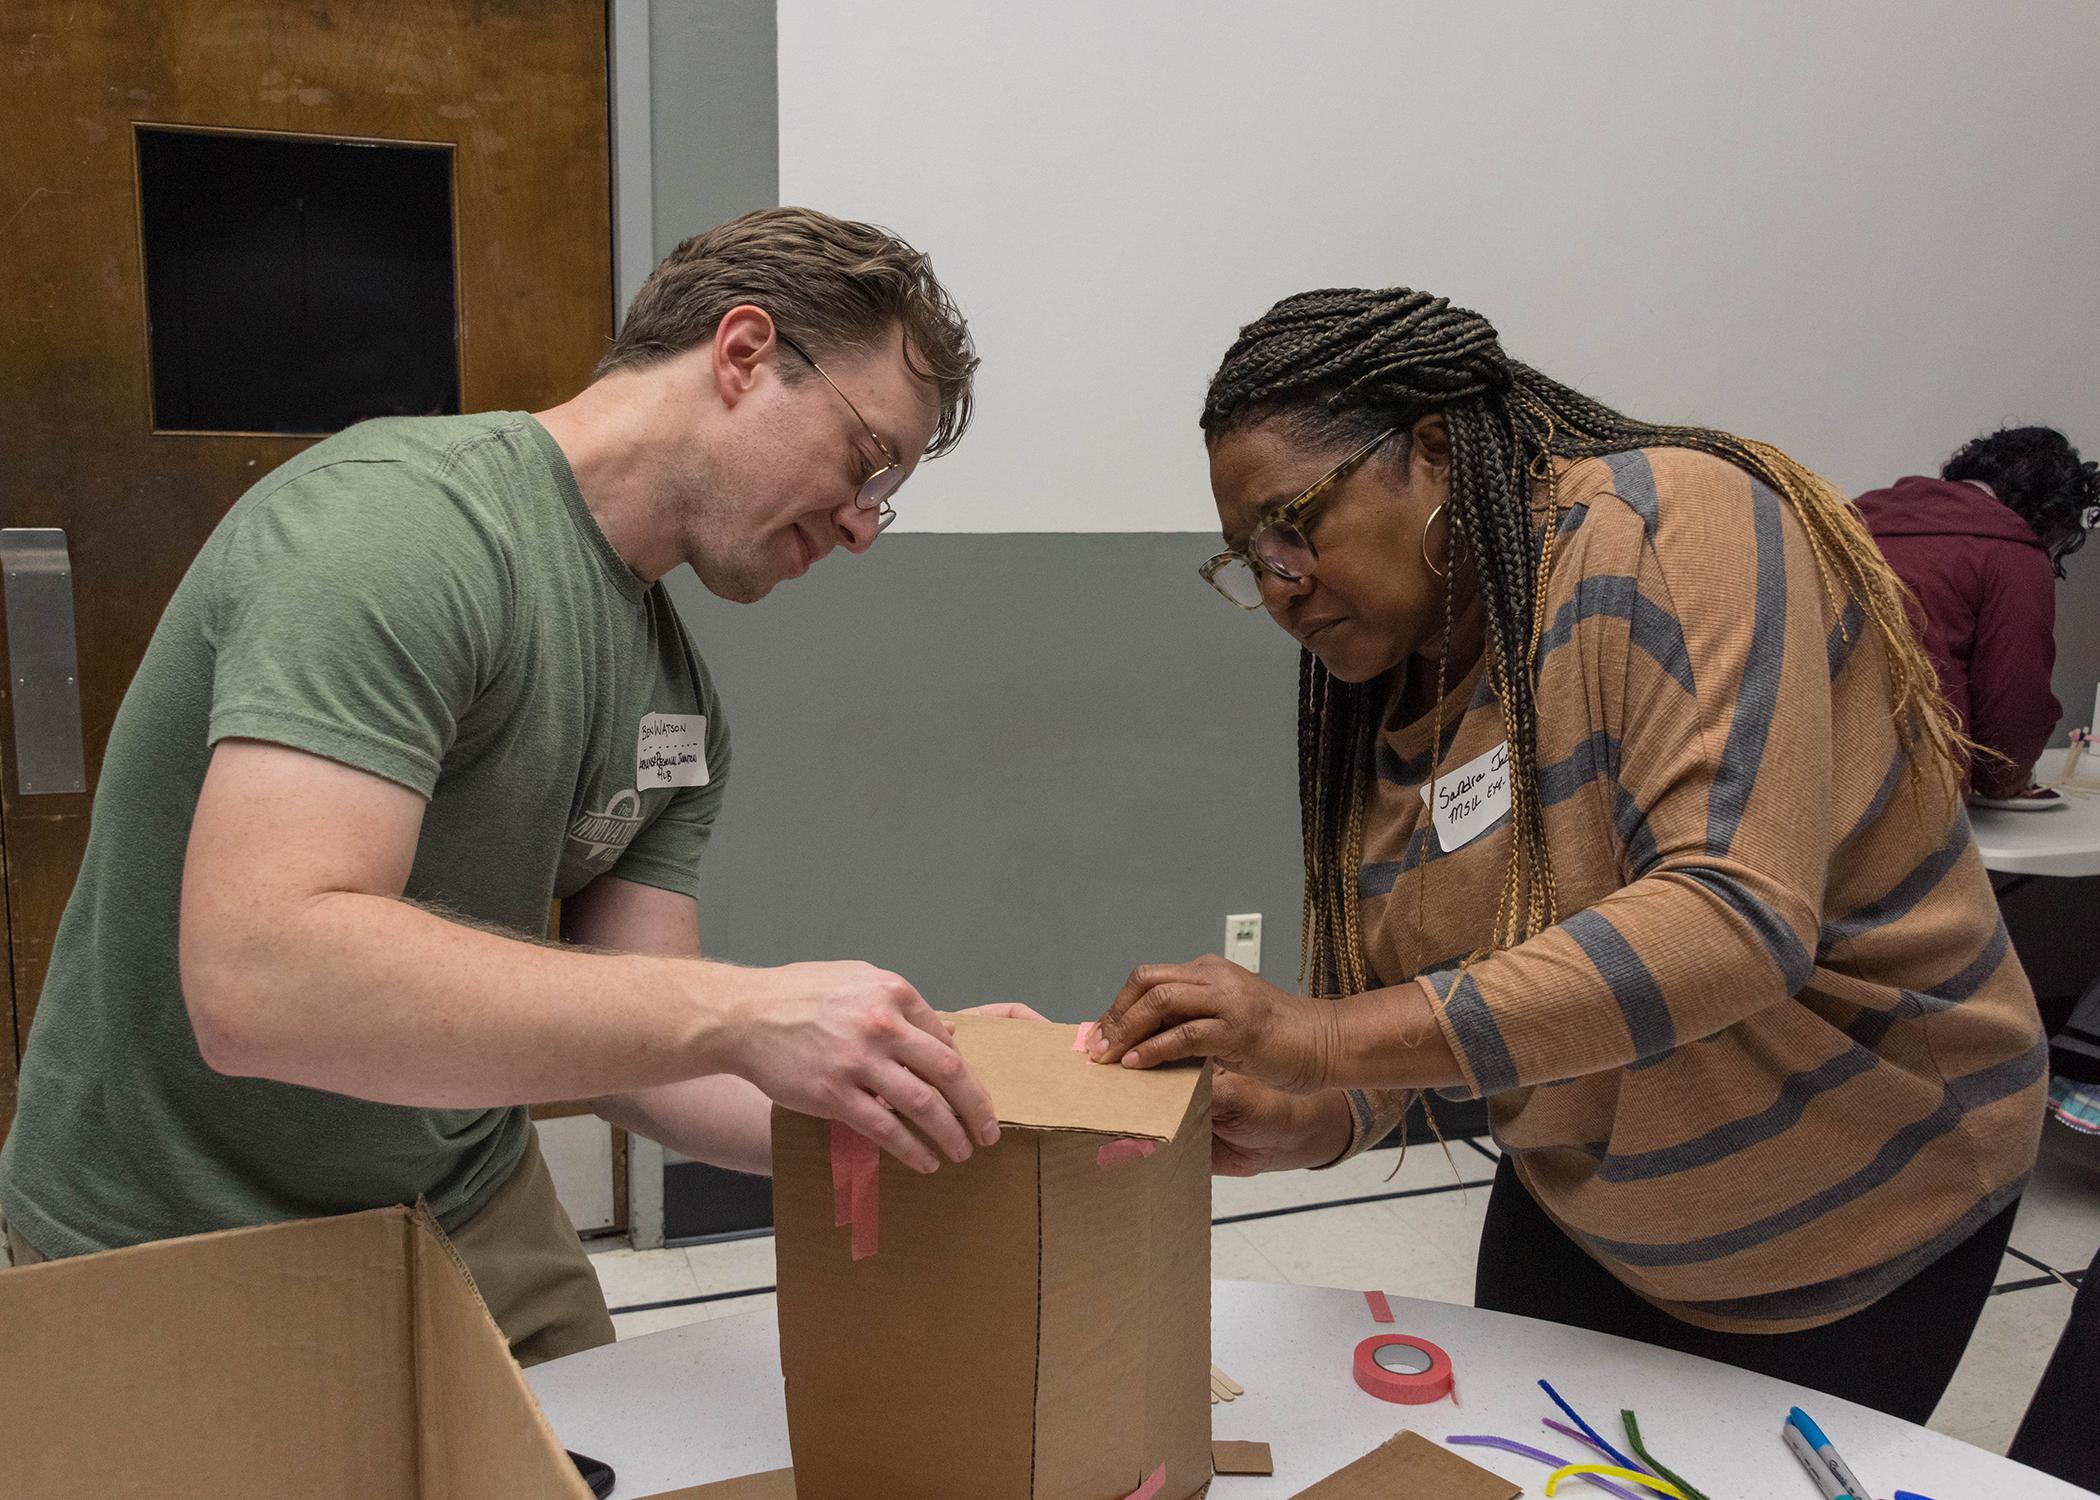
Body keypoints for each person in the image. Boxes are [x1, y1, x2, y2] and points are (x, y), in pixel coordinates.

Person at [0, 208, 1023, 1364]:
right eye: (867, 458)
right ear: (743, 355)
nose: (862, 525)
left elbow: (657, 1069)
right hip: (172, 1225)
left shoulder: (673, 699)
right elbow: (259, 982)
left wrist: (911, 1089)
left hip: (463, 1202)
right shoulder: (403, 533)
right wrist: (747, 1013)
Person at [1088, 287, 2048, 1421]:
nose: (1278, 583)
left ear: (1434, 453)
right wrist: (1323, 1111)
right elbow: (1429, 994)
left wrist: (1324, 1037)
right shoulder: (1383, 686)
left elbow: (1732, 922)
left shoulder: (1673, 526)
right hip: (1591, 1208)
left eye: (1295, 522)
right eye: (1247, 556)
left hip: (1851, 1210)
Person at [1855, 425, 2098, 801]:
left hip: (1802, 778)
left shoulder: (1851, 520)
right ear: (2052, 516)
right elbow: (2013, 708)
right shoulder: (2011, 553)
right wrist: (2007, 781)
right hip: (1912, 798)